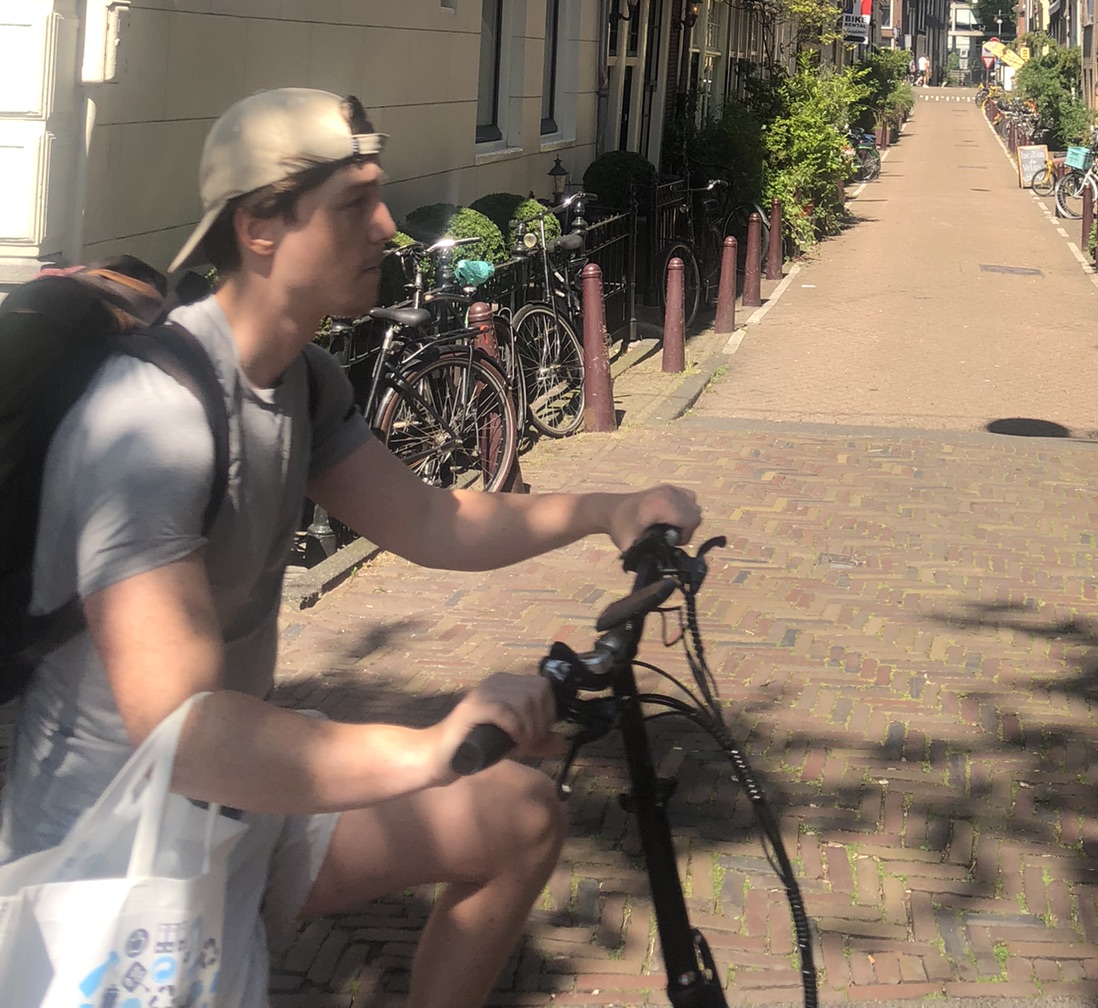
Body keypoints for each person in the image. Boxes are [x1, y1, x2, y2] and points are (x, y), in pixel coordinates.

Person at [0, 89, 700, 1008]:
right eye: (351, 204)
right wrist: (425, 748)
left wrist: (609, 508)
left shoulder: (302, 378)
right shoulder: (152, 422)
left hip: (236, 810)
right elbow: (183, 731)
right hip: (112, 863)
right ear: (258, 227)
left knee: (517, 816)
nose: (386, 226)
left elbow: (431, 522)